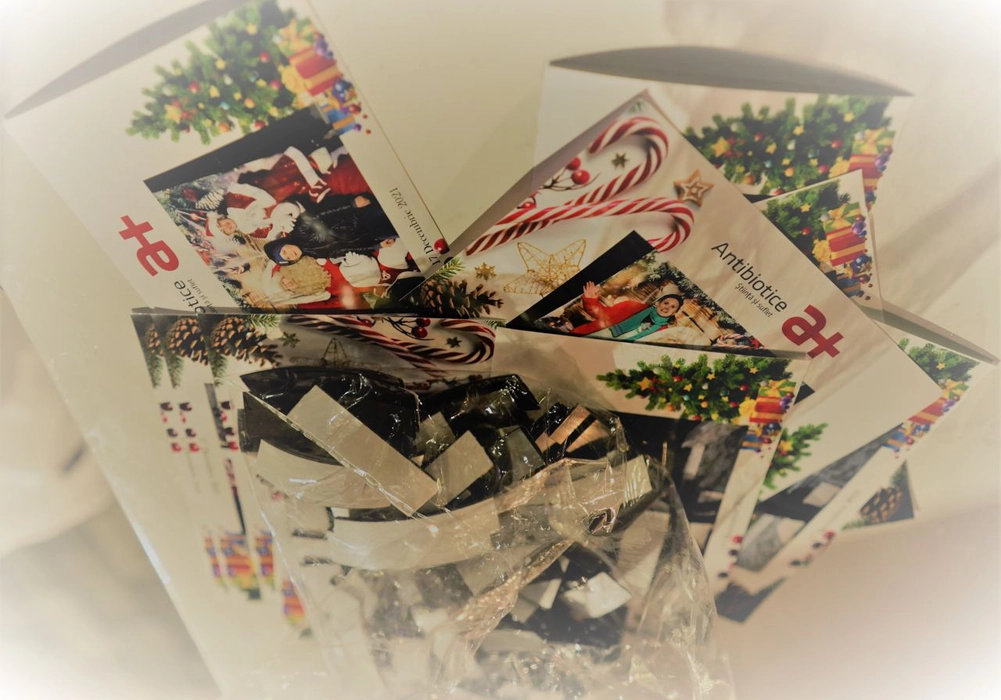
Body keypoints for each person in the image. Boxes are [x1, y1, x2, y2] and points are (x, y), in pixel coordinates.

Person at [571, 281, 684, 340]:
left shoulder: (663, 332)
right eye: (666, 303)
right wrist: (590, 300)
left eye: (673, 307)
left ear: (674, 312)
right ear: (658, 303)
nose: (667, 307)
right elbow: (603, 314)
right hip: (589, 337)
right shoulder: (632, 306)